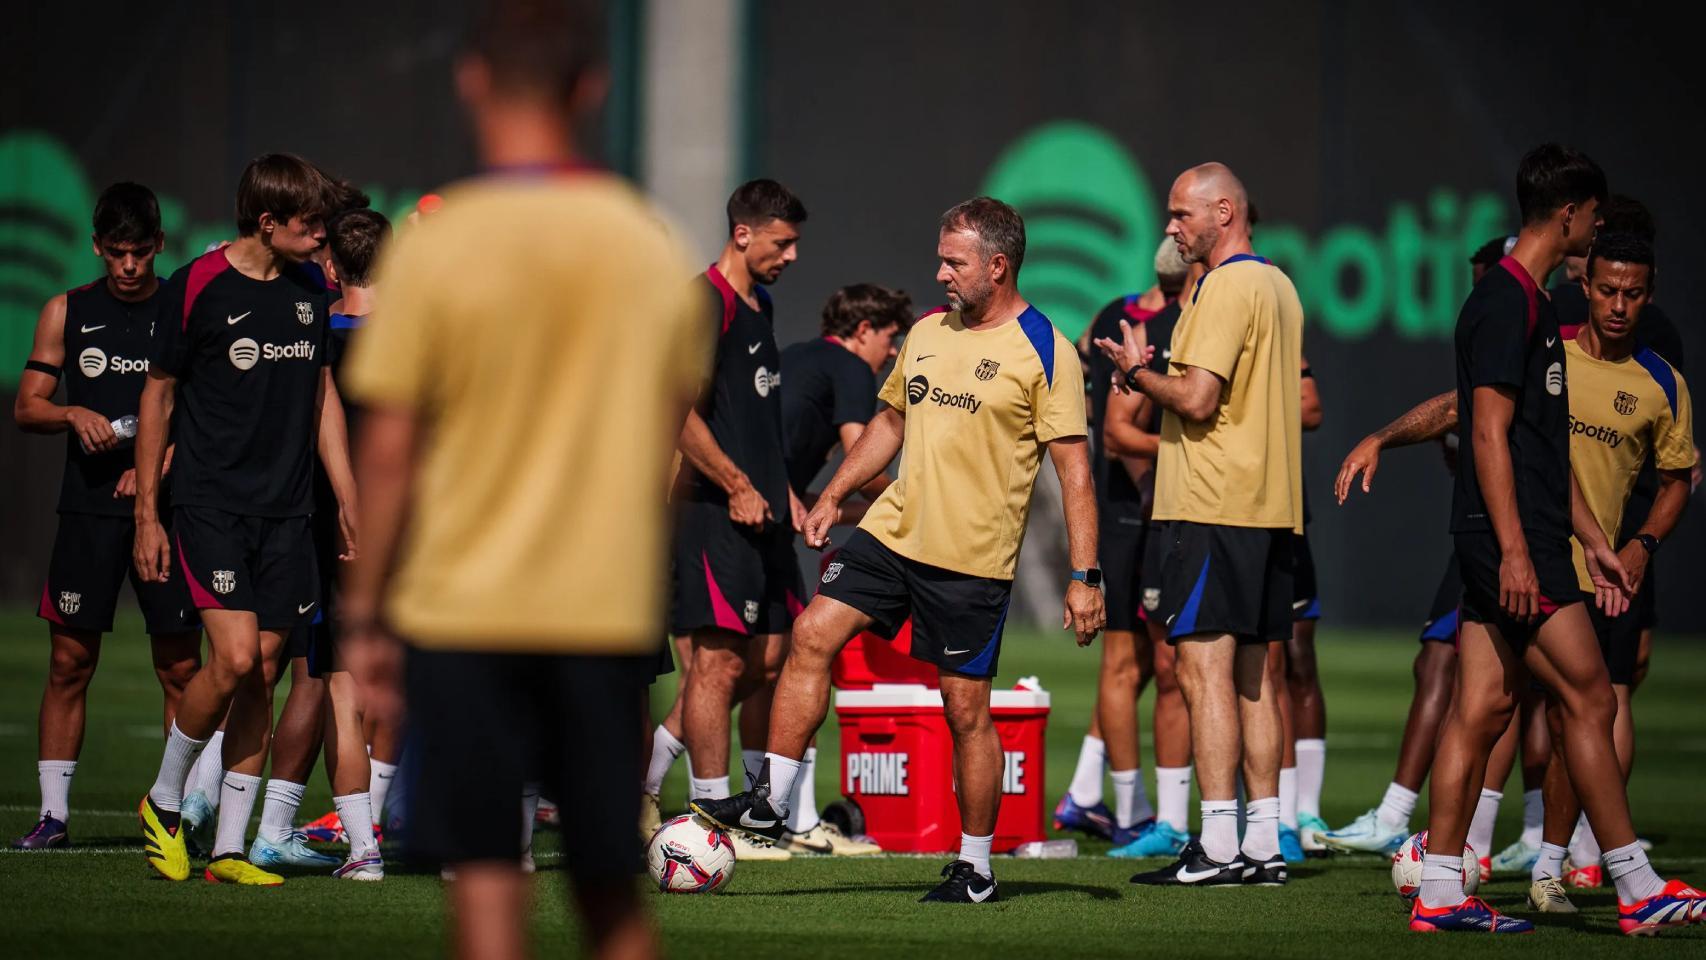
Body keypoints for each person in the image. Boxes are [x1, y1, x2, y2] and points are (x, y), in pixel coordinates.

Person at [340, 0, 703, 954]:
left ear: (471, 83)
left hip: (463, 607)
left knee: (488, 883)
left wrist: (368, 612)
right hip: (601, 609)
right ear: (593, 87)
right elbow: (671, 422)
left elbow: (390, 449)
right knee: (610, 891)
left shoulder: (438, 244)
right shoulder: (647, 245)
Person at [693, 196, 1102, 905]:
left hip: (971, 560)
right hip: (893, 531)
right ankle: (769, 803)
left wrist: (1084, 575)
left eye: (954, 261)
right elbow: (889, 422)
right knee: (812, 632)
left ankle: (975, 868)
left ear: (997, 266)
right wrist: (829, 494)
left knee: (964, 711)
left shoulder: (1046, 351)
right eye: (941, 257)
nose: (940, 272)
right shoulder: (927, 332)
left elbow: (1075, 474)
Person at [1339, 230, 1699, 924]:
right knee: (1585, 703)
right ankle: (1633, 884)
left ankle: (1510, 871)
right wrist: (1384, 436)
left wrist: (1637, 545)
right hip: (1528, 555)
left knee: (1508, 711)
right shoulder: (1547, 350)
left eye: (1632, 293)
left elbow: (1679, 478)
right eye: (1606, 290)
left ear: (1648, 297)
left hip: (1601, 567)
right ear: (1584, 286)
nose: (1619, 305)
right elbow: (1463, 411)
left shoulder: (1661, 382)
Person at [133, 153, 356, 887]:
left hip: (288, 513)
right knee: (229, 659)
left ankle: (228, 852)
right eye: (310, 224)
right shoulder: (194, 285)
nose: (323, 237)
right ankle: (165, 800)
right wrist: (147, 516)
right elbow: (158, 398)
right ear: (268, 222)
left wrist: (346, 494)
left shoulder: (310, 289)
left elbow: (321, 397)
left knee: (262, 672)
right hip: (211, 506)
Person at [1096, 163, 1304, 888]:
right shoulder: (1278, 283)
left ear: (1225, 210)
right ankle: (1264, 842)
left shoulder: (1221, 286)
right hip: (1270, 509)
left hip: (1211, 506)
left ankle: (1216, 845)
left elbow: (1197, 397)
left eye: (1183, 215)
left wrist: (1135, 372)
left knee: (1202, 672)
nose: (1171, 228)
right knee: (1254, 678)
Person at [1318, 235, 1525, 860]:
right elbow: (1463, 414)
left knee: (1567, 694)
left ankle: (1538, 844)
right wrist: (1387, 437)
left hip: (1521, 537)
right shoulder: (1506, 326)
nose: (1476, 291)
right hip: (1492, 534)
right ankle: (1453, 839)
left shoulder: (1530, 320)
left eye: (1484, 277)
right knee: (1460, 672)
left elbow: (1473, 418)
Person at [11, 183, 202, 850]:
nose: (128, 265)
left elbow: (207, 412)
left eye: (140, 253)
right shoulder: (67, 311)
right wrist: (73, 412)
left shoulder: (180, 311)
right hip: (88, 509)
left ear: (159, 247)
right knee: (69, 663)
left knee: (180, 667)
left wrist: (159, 462)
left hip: (166, 512)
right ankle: (54, 815)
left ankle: (177, 811)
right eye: (116, 253)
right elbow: (28, 405)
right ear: (96, 247)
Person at [670, 178, 808, 861]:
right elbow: (676, 411)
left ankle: (728, 797)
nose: (790, 256)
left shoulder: (764, 302)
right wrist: (733, 483)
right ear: (743, 233)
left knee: (776, 656)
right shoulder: (704, 302)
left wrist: (789, 494)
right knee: (717, 666)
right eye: (782, 243)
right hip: (715, 512)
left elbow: (755, 418)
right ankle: (707, 821)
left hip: (768, 514)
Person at [770, 282, 912, 856]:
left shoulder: (798, 358)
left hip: (754, 513)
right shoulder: (851, 370)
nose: (891, 352)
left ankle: (787, 818)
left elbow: (824, 498)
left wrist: (857, 503)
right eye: (888, 339)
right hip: (741, 515)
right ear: (862, 332)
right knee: (738, 668)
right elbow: (866, 464)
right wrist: (914, 493)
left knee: (761, 667)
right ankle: (789, 822)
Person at [1055, 237, 1185, 850]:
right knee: (1153, 663)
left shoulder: (1112, 312)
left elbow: (1083, 373)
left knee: (1135, 665)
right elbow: (1116, 429)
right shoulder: (1175, 320)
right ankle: (1140, 809)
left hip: (1123, 505)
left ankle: (1096, 794)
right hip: (1147, 506)